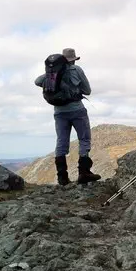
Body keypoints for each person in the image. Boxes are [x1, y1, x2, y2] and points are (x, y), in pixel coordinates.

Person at [35, 48, 101, 186]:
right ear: (74, 59)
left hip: (59, 112)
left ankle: (62, 177)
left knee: (61, 142)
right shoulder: (77, 71)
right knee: (84, 139)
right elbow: (87, 90)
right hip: (77, 110)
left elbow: (37, 81)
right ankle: (84, 173)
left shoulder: (51, 73)